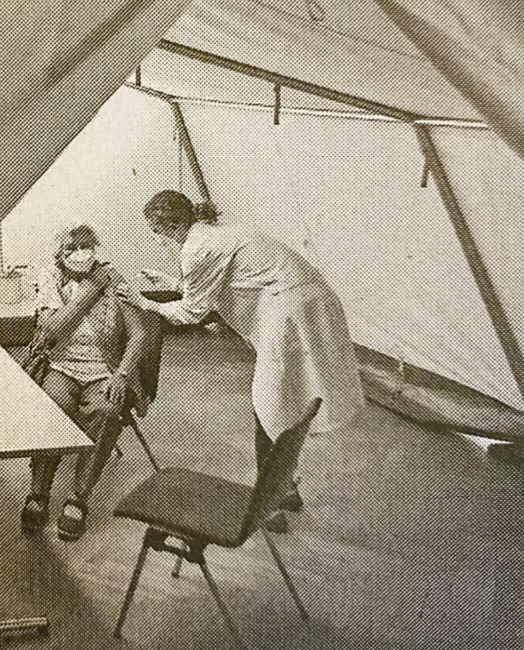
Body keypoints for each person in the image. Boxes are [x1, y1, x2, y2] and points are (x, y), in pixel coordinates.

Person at [119, 190, 365, 531]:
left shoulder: (195, 249)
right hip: (314, 302)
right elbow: (221, 283)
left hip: (291, 313)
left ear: (172, 226)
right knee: (287, 402)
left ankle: (270, 503)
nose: (157, 240)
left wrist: (145, 302)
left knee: (268, 406)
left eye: (156, 232)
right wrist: (170, 283)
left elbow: (192, 313)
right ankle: (285, 487)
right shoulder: (216, 233)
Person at [21, 222, 156, 541]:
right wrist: (92, 289)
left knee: (107, 411)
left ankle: (78, 498)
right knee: (51, 406)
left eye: (87, 246)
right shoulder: (51, 277)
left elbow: (139, 333)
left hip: (105, 369)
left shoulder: (113, 276)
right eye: (73, 248)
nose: (82, 253)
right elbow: (52, 329)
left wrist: (122, 373)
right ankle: (39, 491)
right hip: (62, 366)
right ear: (59, 254)